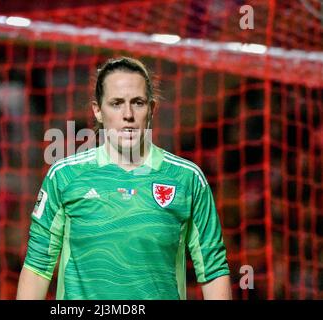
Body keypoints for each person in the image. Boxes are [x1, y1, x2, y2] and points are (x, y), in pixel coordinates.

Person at [17, 57, 231, 300]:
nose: (128, 114)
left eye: (137, 103)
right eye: (116, 103)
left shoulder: (187, 179)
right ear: (97, 111)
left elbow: (213, 270)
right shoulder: (64, 176)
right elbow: (37, 267)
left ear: (151, 109)